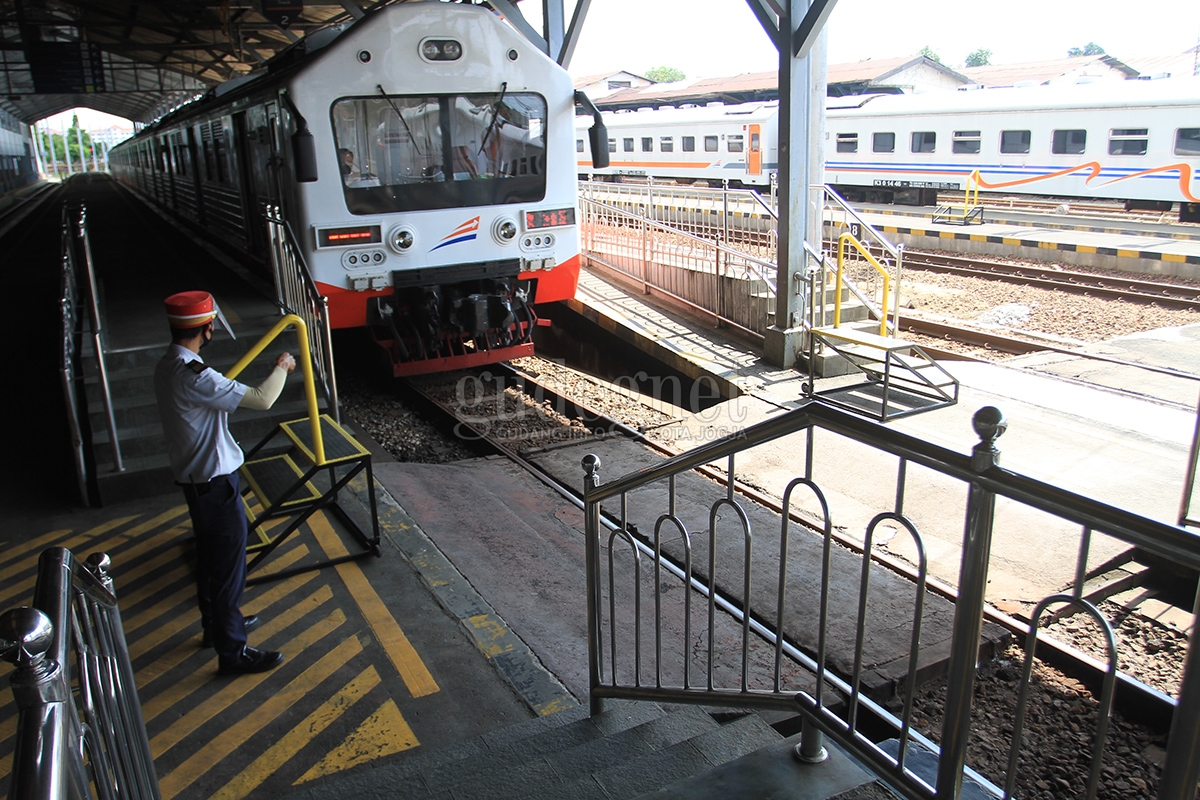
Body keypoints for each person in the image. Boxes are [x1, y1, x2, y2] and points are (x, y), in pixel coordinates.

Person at [154, 290, 296, 676]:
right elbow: (262, 399)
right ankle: (232, 652)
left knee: (211, 565)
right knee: (229, 572)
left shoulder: (168, 366)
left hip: (198, 485)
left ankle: (215, 627)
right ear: (207, 327)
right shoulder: (196, 376)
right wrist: (283, 366)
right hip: (216, 487)